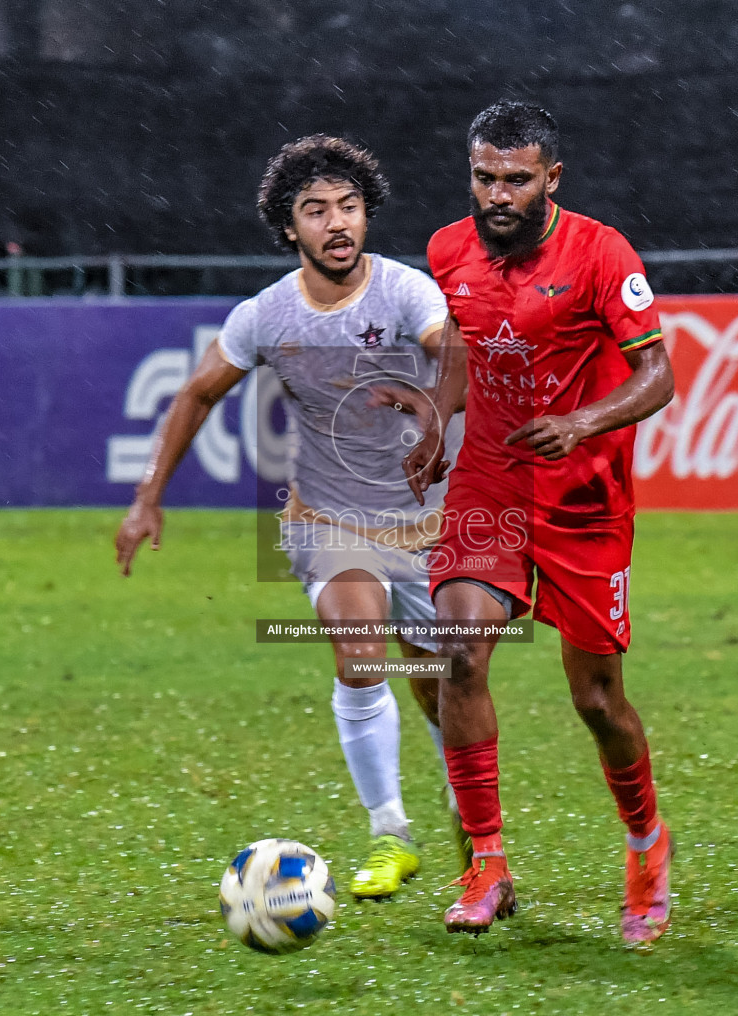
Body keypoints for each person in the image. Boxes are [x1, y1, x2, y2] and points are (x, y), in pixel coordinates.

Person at [115, 135, 467, 899]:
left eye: (349, 206)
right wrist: (147, 497)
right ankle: (391, 834)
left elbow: (454, 354)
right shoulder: (268, 315)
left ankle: (465, 802)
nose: (336, 223)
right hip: (325, 520)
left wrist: (439, 412)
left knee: (442, 676)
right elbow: (198, 393)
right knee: (359, 650)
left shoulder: (405, 292)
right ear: (289, 227)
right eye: (316, 211)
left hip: (420, 521)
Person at [407, 101, 677, 944]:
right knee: (459, 654)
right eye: (484, 176)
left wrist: (583, 423)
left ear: (550, 179)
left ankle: (645, 841)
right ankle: (485, 861)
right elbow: (462, 341)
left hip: (583, 498)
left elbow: (659, 375)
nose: (498, 194)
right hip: (490, 483)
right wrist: (437, 419)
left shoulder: (601, 254)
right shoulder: (448, 249)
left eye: (516, 179)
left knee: (596, 700)